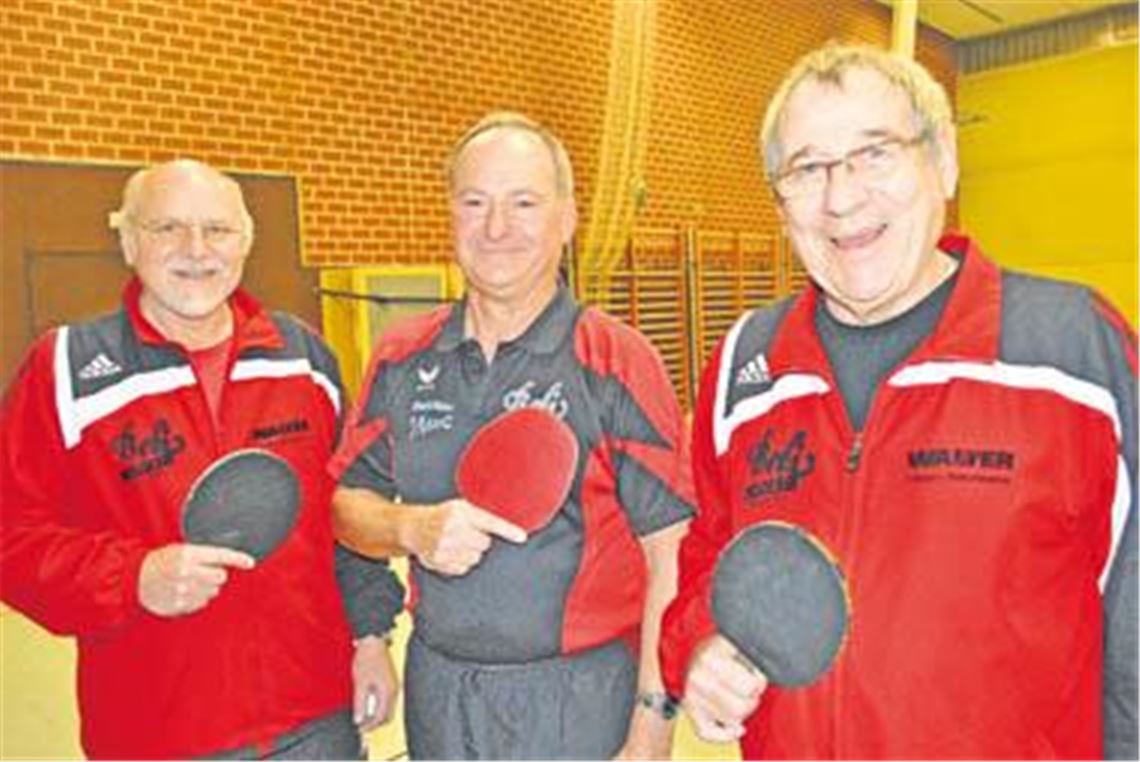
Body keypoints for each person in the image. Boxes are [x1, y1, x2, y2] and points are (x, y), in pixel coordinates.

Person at [660, 43, 1137, 759]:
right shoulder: (744, 368)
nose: (842, 197)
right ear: (780, 197)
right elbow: (706, 561)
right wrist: (698, 648)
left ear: (942, 158)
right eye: (807, 168)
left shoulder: (1073, 354)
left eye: (875, 153)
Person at [0, 159, 405, 759]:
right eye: (167, 228)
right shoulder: (64, 370)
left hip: (315, 721)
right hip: (159, 733)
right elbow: (13, 537)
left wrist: (371, 635)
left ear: (244, 242)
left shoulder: (303, 359)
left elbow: (344, 512)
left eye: (217, 230)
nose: (196, 249)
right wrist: (133, 577)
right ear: (130, 241)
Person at [330, 112, 695, 759]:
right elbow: (346, 508)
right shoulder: (400, 357)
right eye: (475, 203)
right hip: (441, 694)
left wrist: (652, 727)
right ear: (451, 214)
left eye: (523, 203)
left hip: (580, 700)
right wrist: (410, 529)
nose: (497, 228)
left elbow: (671, 556)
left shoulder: (617, 360)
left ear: (567, 218)